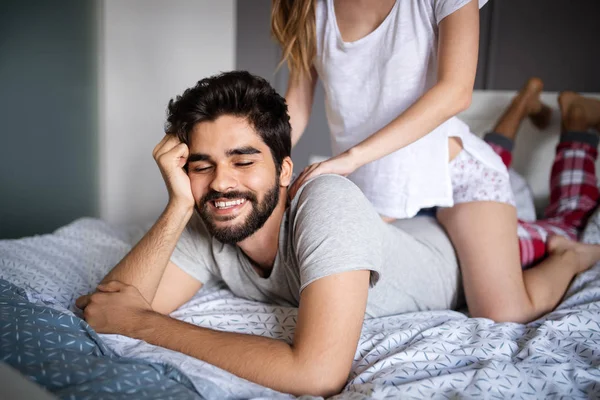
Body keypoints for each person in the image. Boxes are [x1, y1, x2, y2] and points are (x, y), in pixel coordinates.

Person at [76, 71, 600, 397]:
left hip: (455, 255)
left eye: (243, 160)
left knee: (552, 228)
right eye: (201, 165)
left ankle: (574, 254)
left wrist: (147, 326)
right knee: (496, 166)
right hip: (412, 222)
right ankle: (518, 107)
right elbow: (112, 305)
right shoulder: (209, 212)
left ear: (285, 170)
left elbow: (320, 374)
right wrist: (176, 204)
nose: (222, 182)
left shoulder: (324, 202)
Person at [270, 0, 589, 323]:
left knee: (505, 314)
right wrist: (262, 158)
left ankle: (570, 256)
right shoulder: (310, 8)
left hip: (455, 178)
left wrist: (352, 158)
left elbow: (456, 91)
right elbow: (297, 99)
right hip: (378, 190)